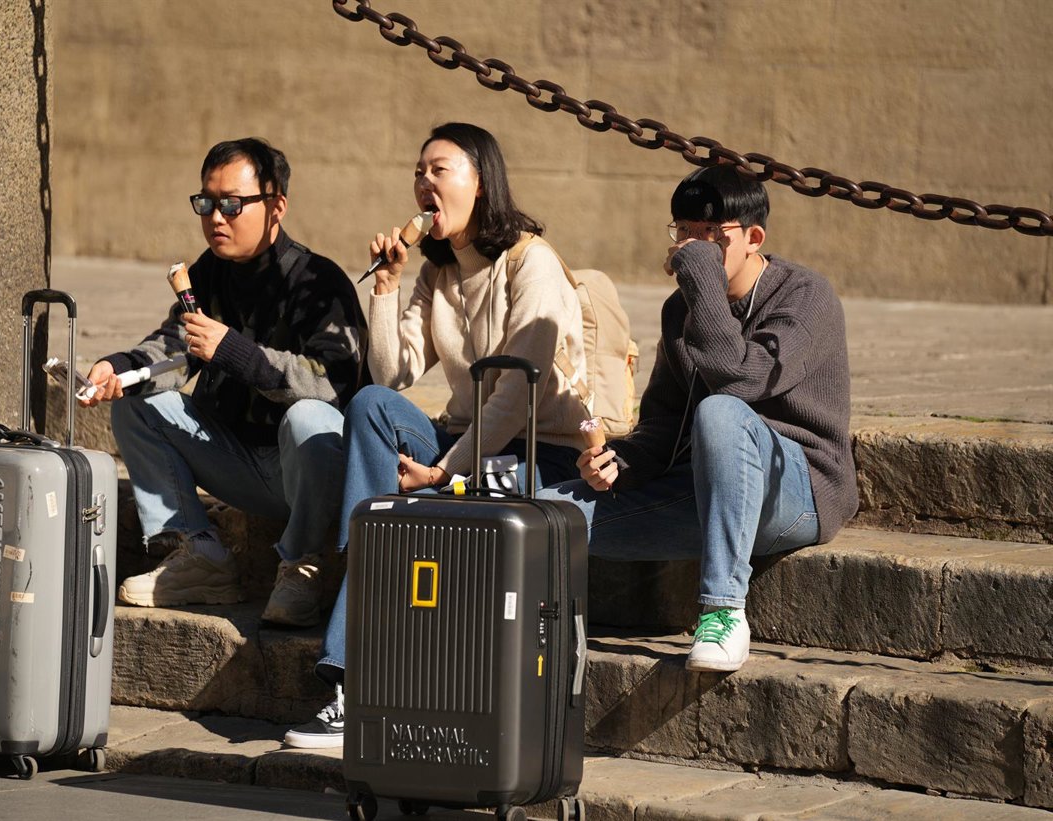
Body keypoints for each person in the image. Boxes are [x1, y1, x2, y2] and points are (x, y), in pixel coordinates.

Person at [284, 122, 590, 748]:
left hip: (539, 451)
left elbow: (516, 398)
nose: (424, 182)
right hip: (464, 441)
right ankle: (366, 549)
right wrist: (386, 286)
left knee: (415, 510)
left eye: (440, 170)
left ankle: (352, 686)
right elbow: (390, 374)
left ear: (481, 184)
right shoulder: (439, 272)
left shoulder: (532, 264)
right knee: (370, 406)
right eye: (419, 172)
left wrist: (445, 474)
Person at [539, 163, 858, 673]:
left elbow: (742, 380)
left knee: (721, 411)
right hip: (708, 494)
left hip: (798, 491)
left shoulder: (805, 296)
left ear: (753, 238)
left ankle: (723, 612)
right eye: (684, 231)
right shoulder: (680, 309)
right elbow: (665, 421)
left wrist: (701, 282)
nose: (693, 247)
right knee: (543, 515)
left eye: (711, 234)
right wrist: (621, 461)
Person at [80, 137, 367, 627]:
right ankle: (202, 554)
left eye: (232, 204)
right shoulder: (209, 272)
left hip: (308, 472)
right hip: (234, 459)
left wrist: (233, 350)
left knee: (310, 417)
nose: (216, 217)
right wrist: (119, 366)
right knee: (136, 400)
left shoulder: (319, 283)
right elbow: (175, 346)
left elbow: (334, 384)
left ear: (276, 206)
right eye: (206, 203)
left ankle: (302, 566)